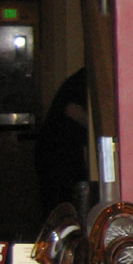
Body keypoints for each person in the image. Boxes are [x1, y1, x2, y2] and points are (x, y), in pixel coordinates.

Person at [34, 67, 89, 221]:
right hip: (56, 153)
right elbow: (71, 110)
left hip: (59, 151)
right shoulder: (83, 81)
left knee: (61, 207)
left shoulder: (80, 79)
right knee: (60, 207)